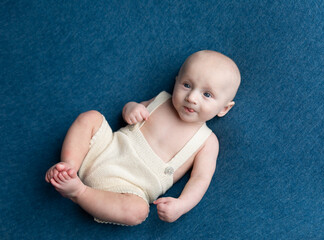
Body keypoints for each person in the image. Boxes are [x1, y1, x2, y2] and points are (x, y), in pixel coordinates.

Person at [45, 50, 241, 226]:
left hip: (129, 188)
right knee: (91, 118)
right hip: (107, 149)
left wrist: (182, 205)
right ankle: (68, 167)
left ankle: (79, 192)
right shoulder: (162, 100)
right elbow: (130, 110)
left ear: (224, 108)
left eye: (207, 94)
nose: (192, 97)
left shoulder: (207, 141)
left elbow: (201, 179)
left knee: (138, 212)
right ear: (176, 80)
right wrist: (131, 109)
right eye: (187, 85)